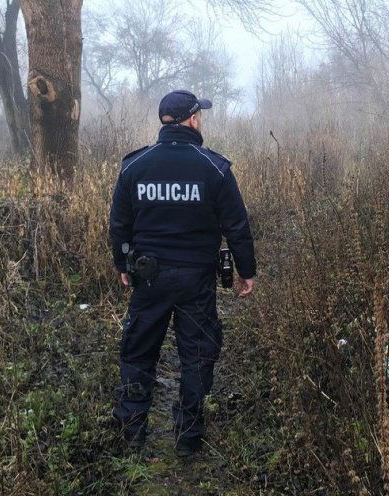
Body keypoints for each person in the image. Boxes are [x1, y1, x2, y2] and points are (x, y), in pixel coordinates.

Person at [108, 89, 256, 457]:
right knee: (197, 355)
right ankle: (188, 437)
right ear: (192, 120)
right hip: (196, 280)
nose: (200, 120)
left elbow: (119, 224)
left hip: (148, 278)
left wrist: (121, 264)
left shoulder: (134, 166)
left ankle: (132, 432)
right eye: (199, 115)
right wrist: (246, 272)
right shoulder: (214, 168)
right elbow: (237, 226)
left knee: (138, 354)